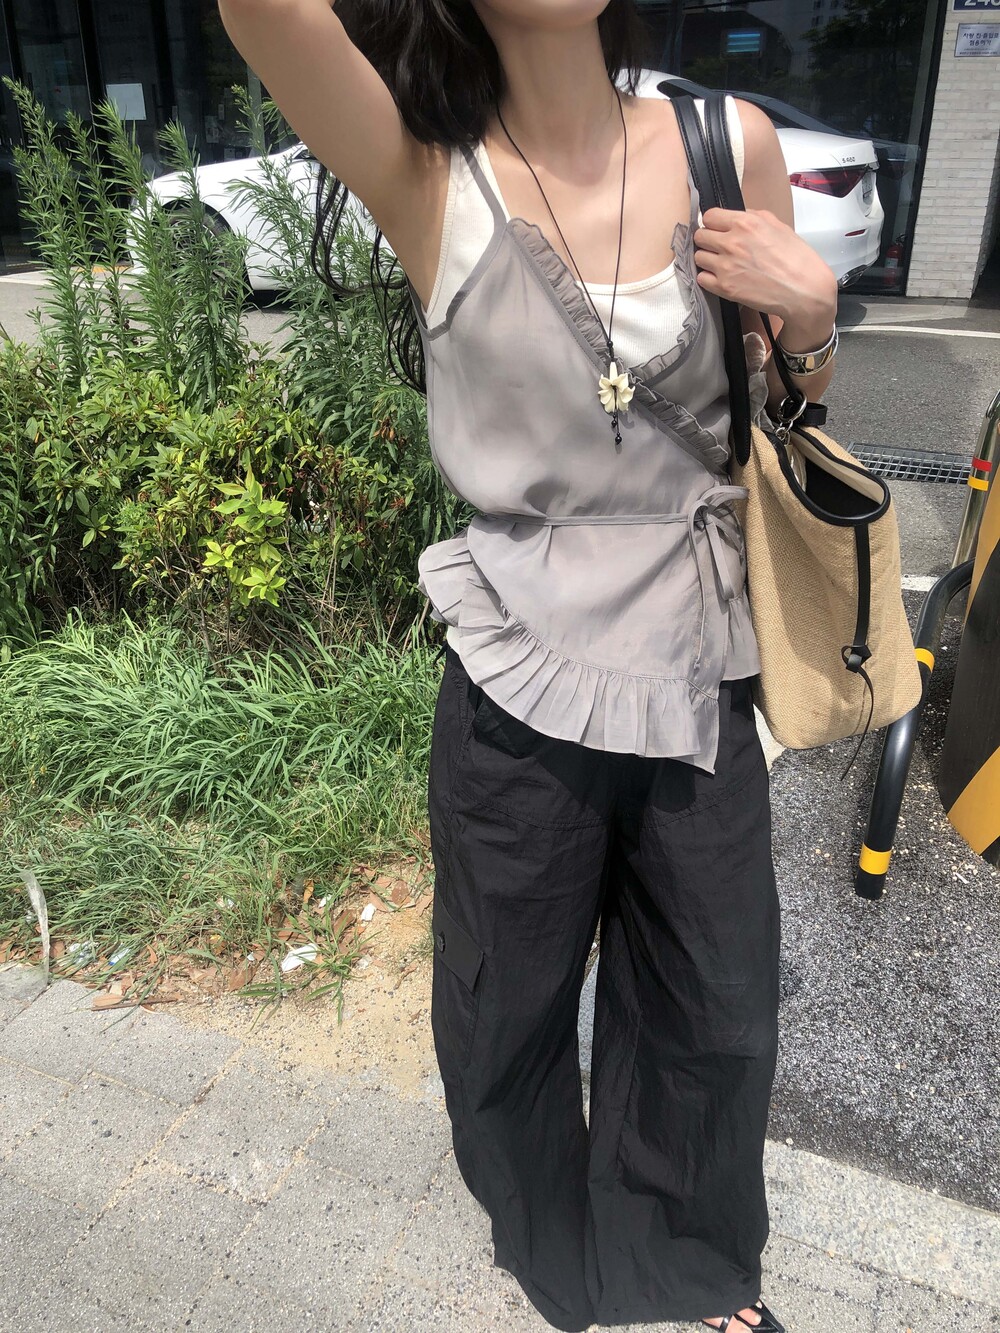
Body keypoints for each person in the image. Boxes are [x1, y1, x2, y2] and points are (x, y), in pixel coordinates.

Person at [218, 2, 840, 1329]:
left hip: (697, 669)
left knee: (719, 1008)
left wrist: (816, 321)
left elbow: (787, 413)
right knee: (504, 1009)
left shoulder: (731, 145)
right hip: (517, 683)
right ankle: (562, 1261)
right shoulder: (425, 172)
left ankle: (686, 1271)